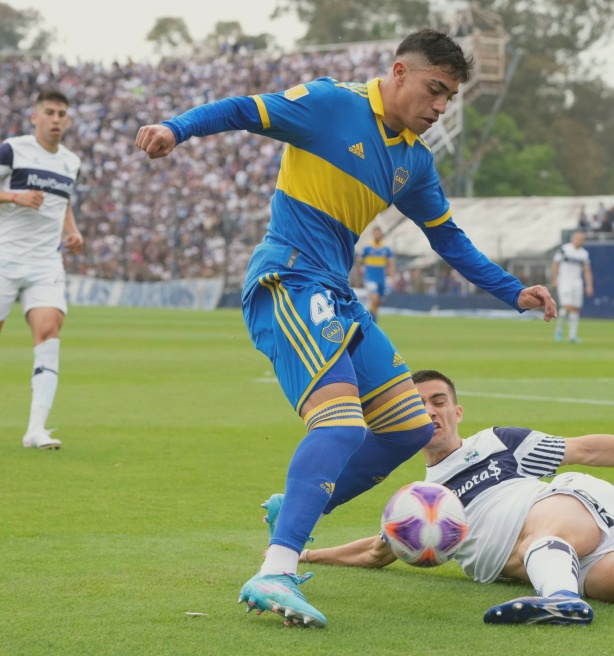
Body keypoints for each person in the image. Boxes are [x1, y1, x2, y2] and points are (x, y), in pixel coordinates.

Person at [135, 29, 556, 628]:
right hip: (290, 279)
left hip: (337, 295)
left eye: (450, 99)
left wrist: (512, 290)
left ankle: (303, 503)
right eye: (434, 91)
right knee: (338, 423)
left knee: (411, 426)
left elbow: (448, 239)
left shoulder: (413, 160)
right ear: (399, 72)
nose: (439, 108)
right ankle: (276, 569)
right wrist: (175, 129)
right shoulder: (332, 104)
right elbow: (241, 110)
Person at [263, 369, 614, 626]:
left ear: (457, 410)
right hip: (564, 561)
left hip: (575, 508)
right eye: (416, 405)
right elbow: (376, 551)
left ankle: (562, 603)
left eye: (439, 400)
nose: (430, 411)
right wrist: (302, 555)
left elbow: (587, 450)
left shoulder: (498, 443)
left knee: (542, 534)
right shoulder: (419, 498)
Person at [0, 89, 84, 450]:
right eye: (48, 112)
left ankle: (36, 430)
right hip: (4, 257)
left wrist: (73, 230)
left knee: (49, 331)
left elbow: (62, 203)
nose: (55, 119)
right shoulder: (12, 150)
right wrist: (14, 196)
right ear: (35, 117)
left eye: (61, 113)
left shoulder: (71, 162)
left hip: (45, 262)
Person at [552, 230, 592, 343]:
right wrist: (555, 279)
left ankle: (572, 336)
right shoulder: (565, 249)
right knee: (566, 307)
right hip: (564, 281)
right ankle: (559, 329)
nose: (580, 241)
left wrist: (589, 285)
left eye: (582, 239)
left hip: (577, 283)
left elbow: (587, 270)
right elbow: (555, 264)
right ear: (573, 238)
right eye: (578, 238)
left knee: (575, 309)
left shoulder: (584, 254)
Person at [358, 225, 394, 322]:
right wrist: (360, 272)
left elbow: (390, 264)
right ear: (373, 234)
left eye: (378, 233)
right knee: (374, 299)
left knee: (377, 302)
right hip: (370, 278)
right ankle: (370, 321)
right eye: (375, 233)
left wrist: (392, 277)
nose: (377, 235)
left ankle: (373, 320)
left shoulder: (386, 249)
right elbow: (359, 261)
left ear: (381, 234)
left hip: (381, 279)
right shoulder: (367, 248)